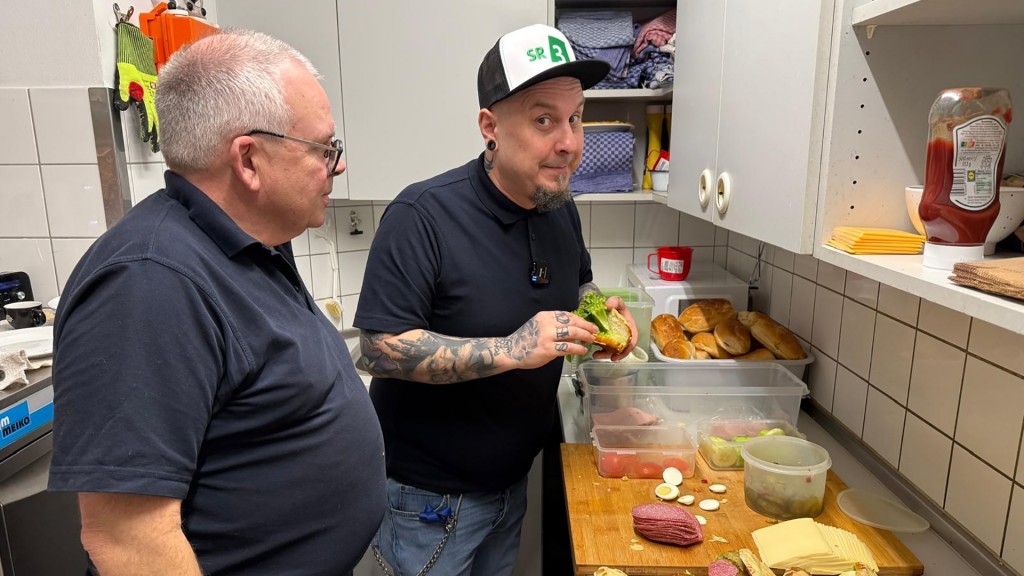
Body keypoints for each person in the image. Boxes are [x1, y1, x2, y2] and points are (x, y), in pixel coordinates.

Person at [48, 30, 385, 576]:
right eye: (325, 149)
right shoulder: (149, 282)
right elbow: (127, 538)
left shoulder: (255, 240)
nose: (336, 165)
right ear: (248, 159)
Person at [354, 23, 638, 575]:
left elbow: (581, 281)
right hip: (429, 502)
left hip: (510, 482)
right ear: (490, 126)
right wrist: (511, 348)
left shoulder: (558, 204)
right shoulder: (423, 216)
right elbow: (379, 350)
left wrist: (600, 313)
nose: (570, 142)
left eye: (576, 118)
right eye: (543, 120)